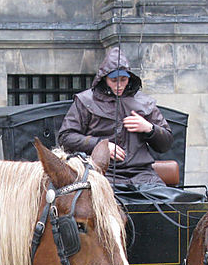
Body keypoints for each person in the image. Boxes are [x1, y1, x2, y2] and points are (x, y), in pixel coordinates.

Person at [58, 46, 173, 186]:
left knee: (167, 202)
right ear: (104, 79)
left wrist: (150, 128)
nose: (119, 85)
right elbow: (66, 137)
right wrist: (101, 145)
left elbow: (166, 144)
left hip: (142, 174)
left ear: (129, 78)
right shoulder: (85, 101)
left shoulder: (145, 103)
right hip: (99, 172)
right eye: (114, 80)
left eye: (123, 80)